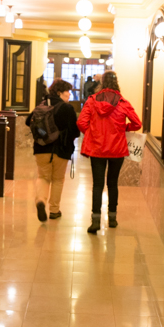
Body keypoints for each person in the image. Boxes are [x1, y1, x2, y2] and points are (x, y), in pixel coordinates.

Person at [77, 70, 141, 234]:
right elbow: (137, 123)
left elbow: (81, 122)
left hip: (97, 149)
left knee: (97, 185)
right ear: (116, 82)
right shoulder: (122, 102)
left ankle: (95, 221)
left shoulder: (92, 101)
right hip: (117, 149)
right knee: (112, 183)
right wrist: (124, 129)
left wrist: (92, 133)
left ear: (102, 83)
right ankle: (112, 218)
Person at [26, 79, 79, 221]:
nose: (69, 94)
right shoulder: (67, 108)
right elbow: (75, 130)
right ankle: (54, 210)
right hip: (61, 150)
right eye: (68, 91)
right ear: (59, 92)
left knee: (43, 177)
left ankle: (40, 201)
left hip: (41, 148)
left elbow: (27, 121)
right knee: (57, 179)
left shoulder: (41, 106)